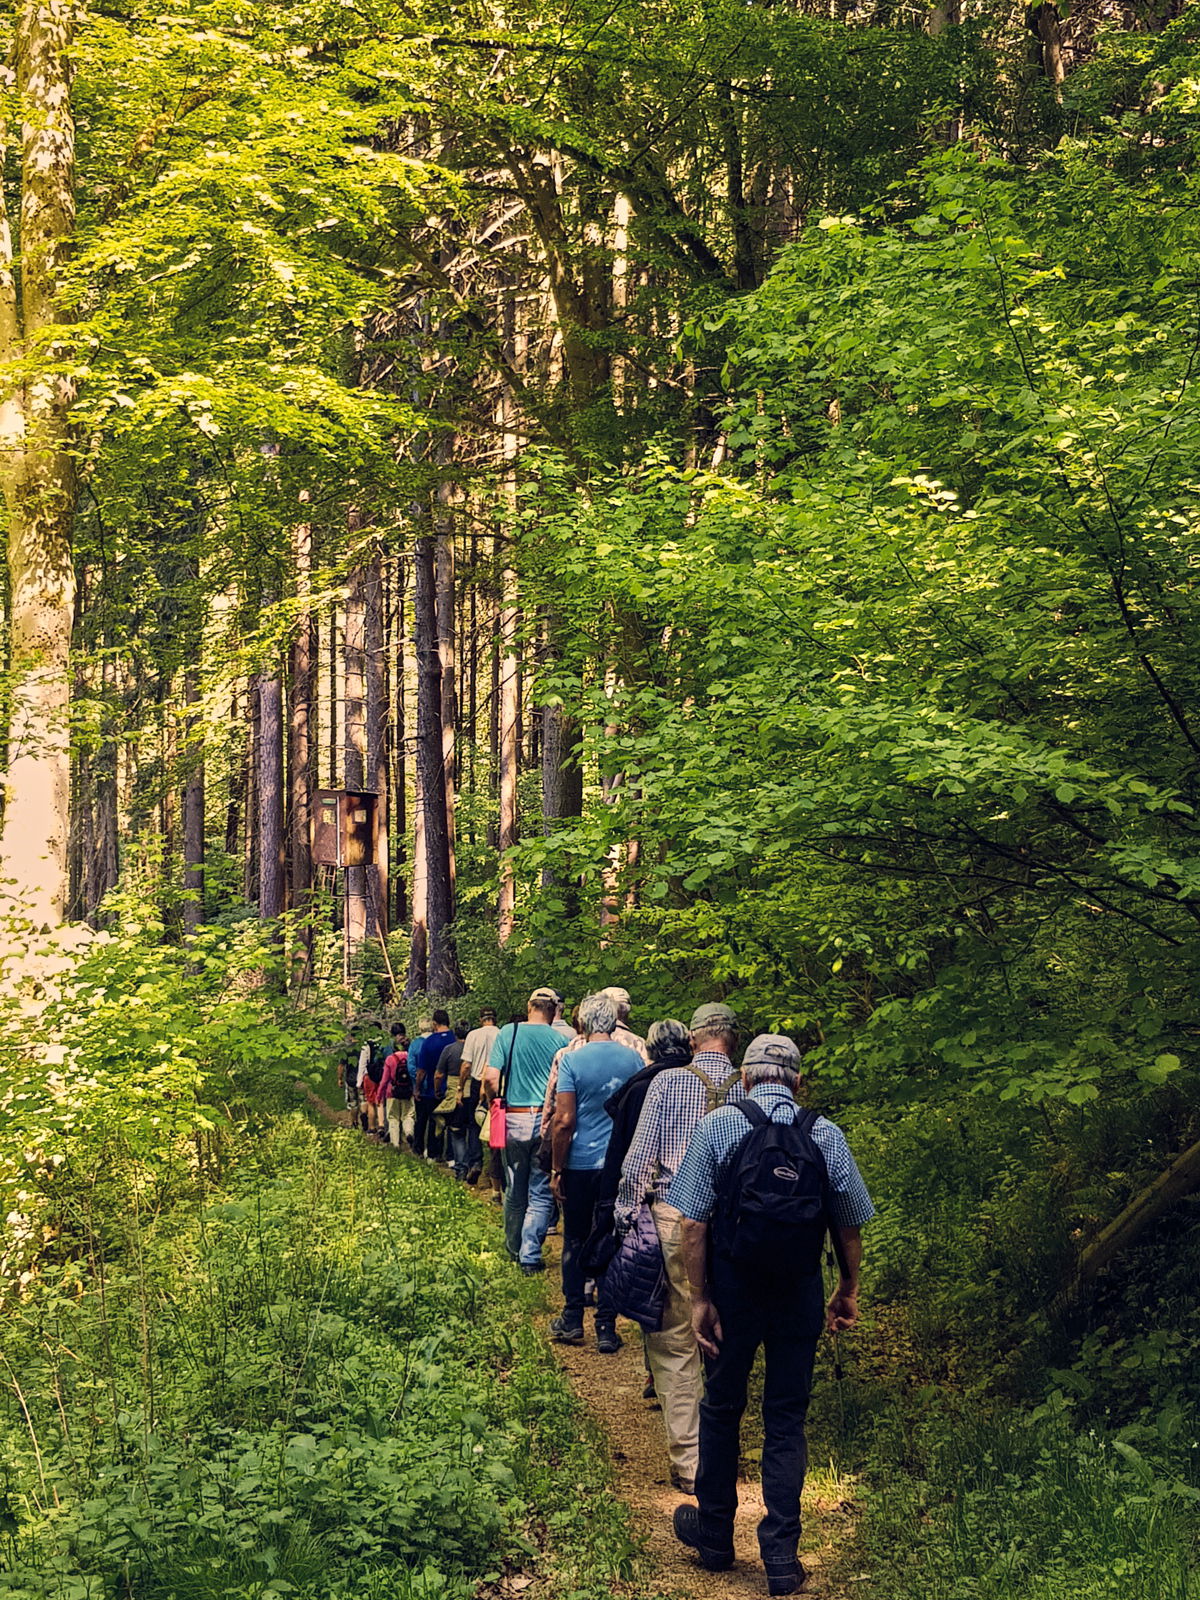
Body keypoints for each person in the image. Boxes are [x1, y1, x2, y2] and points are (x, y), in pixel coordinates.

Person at [669, 1035, 873, 1598]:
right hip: (798, 1292)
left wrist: (700, 1298)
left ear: (746, 1079)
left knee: (721, 1407)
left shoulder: (716, 1126)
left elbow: (692, 1224)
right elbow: (850, 1223)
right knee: (786, 1419)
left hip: (734, 1292)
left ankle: (714, 1534)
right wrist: (848, 1288)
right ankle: (781, 1556)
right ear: (797, 1082)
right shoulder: (824, 1134)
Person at [614, 1003, 742, 1493]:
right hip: (731, 1227)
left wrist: (627, 1218)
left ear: (694, 1040)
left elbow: (638, 1160)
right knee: (725, 1333)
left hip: (672, 1218)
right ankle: (723, 1450)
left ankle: (690, 1463)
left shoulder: (668, 1083)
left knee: (673, 1341)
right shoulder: (748, 1088)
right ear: (733, 1040)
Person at [549, 992, 643, 1351]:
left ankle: (573, 1317)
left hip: (580, 1164)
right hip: (618, 1166)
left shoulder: (573, 1061)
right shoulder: (634, 1059)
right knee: (612, 1239)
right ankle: (606, 1325)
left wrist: (557, 1168)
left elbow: (564, 1121)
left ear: (584, 1023)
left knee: (574, 1238)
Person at [485, 989, 563, 1273]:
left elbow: (491, 1078)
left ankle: (514, 1248)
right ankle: (530, 1256)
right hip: (547, 1122)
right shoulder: (561, 1040)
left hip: (514, 1119)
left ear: (529, 1006)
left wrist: (491, 1103)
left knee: (514, 1189)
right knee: (541, 1192)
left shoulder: (509, 1032)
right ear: (553, 1010)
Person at [459, 1007, 500, 1181]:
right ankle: (495, 1165)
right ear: (494, 1018)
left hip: (477, 1082)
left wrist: (460, 1087)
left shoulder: (473, 1035)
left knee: (474, 1123)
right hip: (497, 1082)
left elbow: (466, 1065)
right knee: (495, 1124)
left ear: (480, 1019)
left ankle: (476, 1163)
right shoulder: (502, 1033)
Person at [412, 1011, 454, 1160]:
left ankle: (433, 1153)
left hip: (432, 1089)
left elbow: (421, 1070)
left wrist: (417, 1088)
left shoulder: (428, 1042)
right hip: (452, 1089)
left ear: (434, 1024)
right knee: (451, 1123)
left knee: (434, 1121)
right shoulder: (455, 1039)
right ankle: (451, 1155)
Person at [437, 1023, 473, 1178]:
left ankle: (460, 1167)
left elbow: (438, 1074)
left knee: (456, 1132)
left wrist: (438, 1090)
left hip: (454, 1093)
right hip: (473, 1092)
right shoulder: (474, 1049)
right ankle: (473, 1163)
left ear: (455, 1034)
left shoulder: (449, 1050)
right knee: (472, 1130)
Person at [381, 1024, 414, 1148]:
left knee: (393, 1116)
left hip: (392, 1089)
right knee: (407, 1114)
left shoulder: (388, 1047)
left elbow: (385, 1075)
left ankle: (395, 1143)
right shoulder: (409, 1046)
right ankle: (408, 1133)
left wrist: (381, 1092)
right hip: (407, 1087)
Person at [336, 1028, 362, 1126]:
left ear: (351, 1036)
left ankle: (353, 1122)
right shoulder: (364, 1048)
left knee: (353, 1102)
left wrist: (340, 1079)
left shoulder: (347, 1050)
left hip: (351, 1079)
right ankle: (366, 1122)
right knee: (364, 1100)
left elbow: (341, 1066)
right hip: (363, 1078)